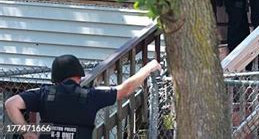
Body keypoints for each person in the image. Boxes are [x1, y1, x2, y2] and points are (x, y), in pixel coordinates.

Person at [5, 54, 161, 139]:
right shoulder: (91, 95)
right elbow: (124, 90)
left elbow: (11, 103)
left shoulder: (43, 93)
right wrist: (147, 68)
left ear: (55, 78)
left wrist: (26, 132)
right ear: (79, 76)